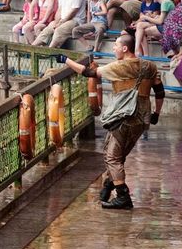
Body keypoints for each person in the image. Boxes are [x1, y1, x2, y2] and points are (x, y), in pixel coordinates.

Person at [64, 34, 164, 210]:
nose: (113, 48)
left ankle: (123, 196)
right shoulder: (150, 66)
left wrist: (66, 61)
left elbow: (89, 73)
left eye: (116, 45)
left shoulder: (120, 66)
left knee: (112, 157)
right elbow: (160, 92)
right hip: (142, 119)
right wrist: (156, 113)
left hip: (125, 117)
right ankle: (108, 187)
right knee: (117, 155)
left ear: (125, 48)